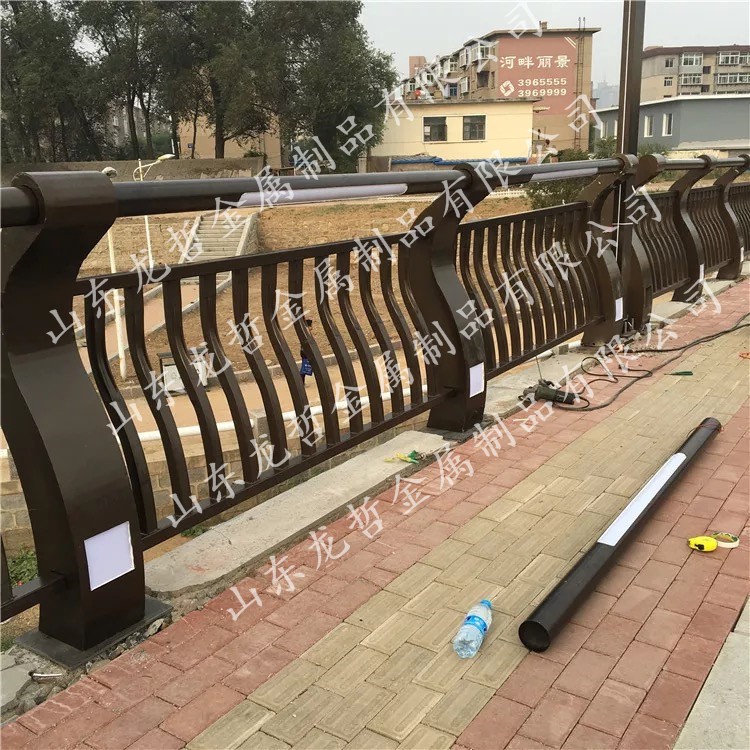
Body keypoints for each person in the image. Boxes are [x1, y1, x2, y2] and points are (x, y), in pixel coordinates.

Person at [299, 318, 314, 385]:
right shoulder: (306, 334)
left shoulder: (306, 333)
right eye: (311, 326)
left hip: (305, 352)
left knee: (306, 367)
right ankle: (301, 382)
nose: (312, 327)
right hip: (305, 353)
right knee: (305, 368)